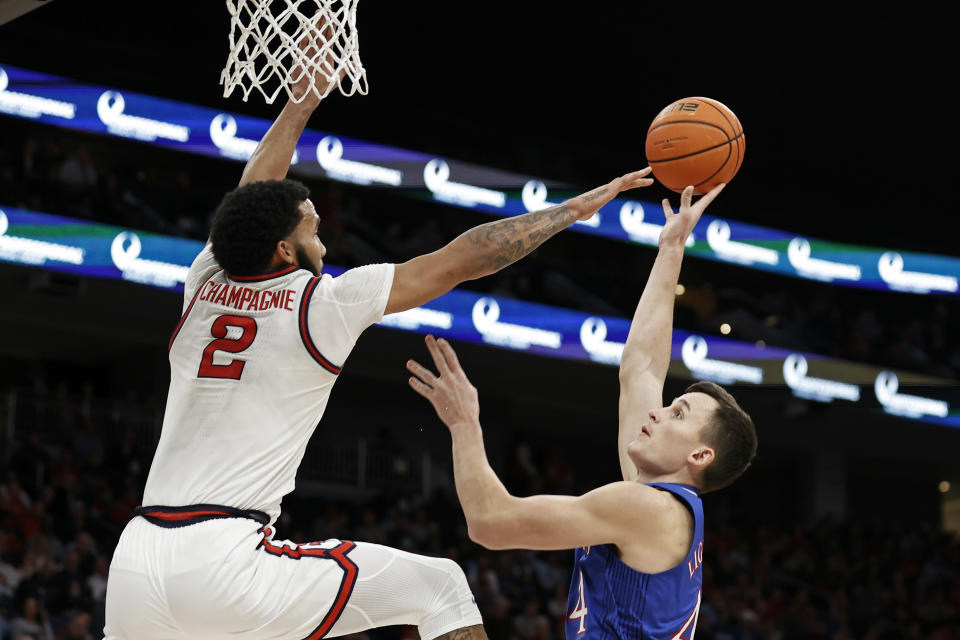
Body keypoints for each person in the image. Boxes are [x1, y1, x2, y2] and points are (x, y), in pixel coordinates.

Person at [101, 20, 655, 640]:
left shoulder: (204, 280)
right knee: (441, 587)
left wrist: (302, 99)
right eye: (312, 228)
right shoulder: (323, 302)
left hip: (137, 561)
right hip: (224, 559)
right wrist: (570, 212)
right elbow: (465, 258)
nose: (323, 234)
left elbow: (250, 195)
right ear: (284, 252)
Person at [406, 184, 758, 639]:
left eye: (677, 414)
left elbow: (491, 523)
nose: (657, 413)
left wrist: (464, 424)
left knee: (443, 590)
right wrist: (672, 248)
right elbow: (642, 369)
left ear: (700, 456)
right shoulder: (659, 504)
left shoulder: (645, 507)